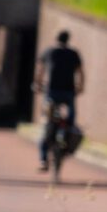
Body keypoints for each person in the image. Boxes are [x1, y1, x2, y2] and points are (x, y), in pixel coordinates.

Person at [36, 29, 84, 170]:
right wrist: (80, 87)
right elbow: (81, 73)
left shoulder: (49, 52)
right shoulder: (74, 54)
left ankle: (43, 159)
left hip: (51, 92)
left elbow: (40, 71)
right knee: (71, 122)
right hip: (69, 93)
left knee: (47, 125)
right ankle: (67, 147)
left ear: (56, 39)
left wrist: (38, 84)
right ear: (68, 40)